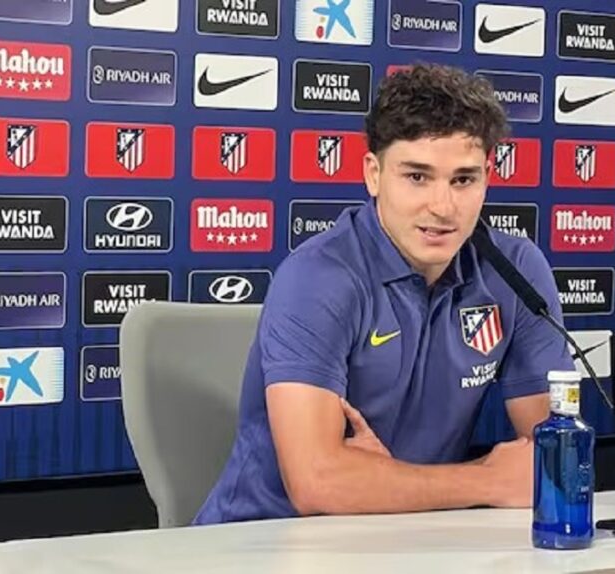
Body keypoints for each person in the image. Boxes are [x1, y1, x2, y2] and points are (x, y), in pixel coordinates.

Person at [193, 63, 576, 524]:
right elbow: (317, 484)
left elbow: (555, 456)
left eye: (463, 179)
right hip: (260, 541)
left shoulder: (515, 272)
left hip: (412, 535)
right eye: (417, 177)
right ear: (373, 174)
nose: (442, 207)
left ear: (487, 177)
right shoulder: (318, 276)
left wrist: (380, 478)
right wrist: (490, 479)